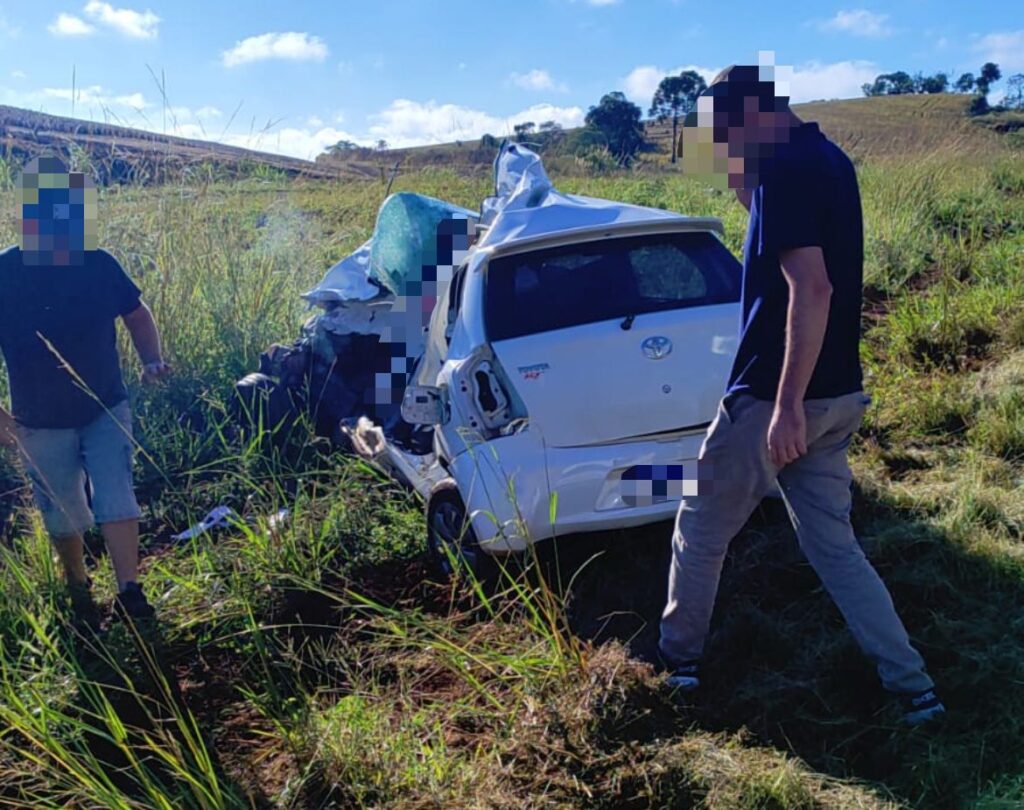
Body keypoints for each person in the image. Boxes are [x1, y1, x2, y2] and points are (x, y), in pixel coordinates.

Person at [659, 65, 945, 726]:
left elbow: (811, 289)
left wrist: (785, 404)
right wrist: (740, 176)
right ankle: (914, 688)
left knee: (700, 527)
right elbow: (776, 233)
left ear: (751, 117)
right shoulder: (823, 159)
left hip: (771, 399)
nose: (725, 146)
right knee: (836, 549)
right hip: (839, 394)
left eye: (726, 133)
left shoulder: (785, 170)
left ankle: (676, 667)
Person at [0, 157, 170, 624]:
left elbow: (136, 312)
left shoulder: (97, 262)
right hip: (38, 419)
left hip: (105, 406)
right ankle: (78, 586)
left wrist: (151, 359)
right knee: (62, 513)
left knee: (116, 494)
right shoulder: (5, 272)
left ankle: (130, 591)